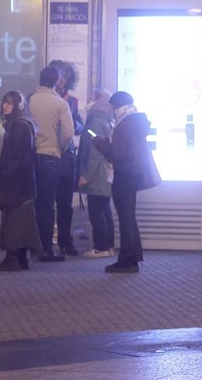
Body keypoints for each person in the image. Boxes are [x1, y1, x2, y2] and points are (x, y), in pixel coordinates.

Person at [93, 91, 156, 274]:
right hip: (132, 174)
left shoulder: (124, 124)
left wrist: (100, 144)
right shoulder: (134, 121)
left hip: (124, 175)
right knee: (129, 217)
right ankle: (132, 257)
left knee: (125, 218)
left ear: (118, 106)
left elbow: (118, 154)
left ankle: (127, 259)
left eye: (113, 107)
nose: (112, 110)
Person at [0, 92, 42, 271]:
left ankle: (13, 258)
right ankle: (20, 258)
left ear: (18, 105)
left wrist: (4, 178)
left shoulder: (19, 127)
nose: (5, 106)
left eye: (10, 103)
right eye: (4, 102)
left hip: (15, 184)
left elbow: (16, 159)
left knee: (13, 221)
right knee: (20, 220)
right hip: (21, 184)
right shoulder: (21, 124)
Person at [26, 65, 74, 262]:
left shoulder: (29, 100)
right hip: (50, 156)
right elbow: (69, 133)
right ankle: (46, 249)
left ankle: (32, 246)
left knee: (32, 202)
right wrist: (59, 146)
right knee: (47, 204)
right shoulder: (60, 104)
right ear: (56, 82)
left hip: (30, 156)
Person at [48, 60, 83, 257]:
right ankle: (43, 243)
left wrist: (71, 125)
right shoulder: (40, 97)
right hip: (46, 155)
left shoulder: (72, 101)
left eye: (67, 76)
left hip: (67, 158)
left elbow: (80, 126)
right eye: (60, 74)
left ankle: (65, 241)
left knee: (65, 204)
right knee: (44, 204)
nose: (63, 79)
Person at [77, 89, 116, 258]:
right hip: (105, 172)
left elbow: (93, 149)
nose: (88, 100)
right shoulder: (108, 119)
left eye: (91, 97)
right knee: (104, 208)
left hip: (97, 173)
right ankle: (109, 246)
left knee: (96, 210)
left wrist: (85, 173)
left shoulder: (95, 121)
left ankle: (101, 247)